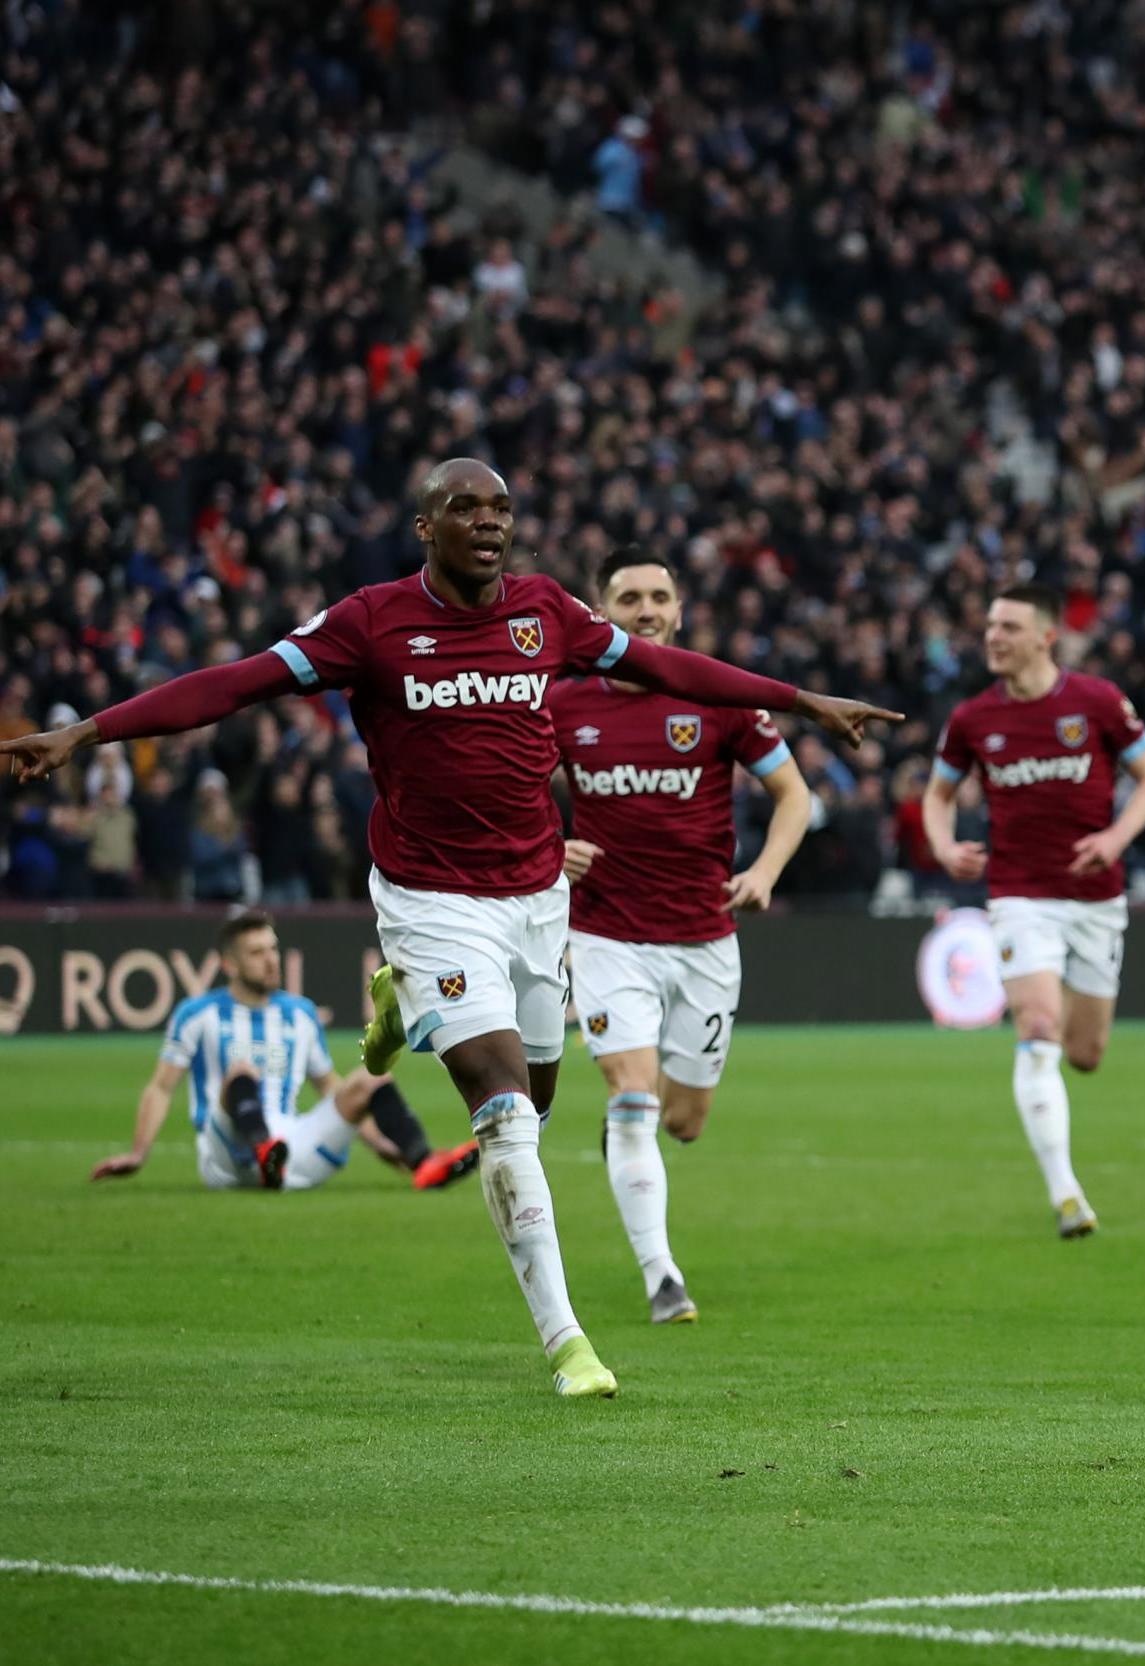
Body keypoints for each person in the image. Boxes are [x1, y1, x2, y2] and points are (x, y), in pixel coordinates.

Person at [1, 458, 901, 1398]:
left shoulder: (546, 613)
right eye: (463, 507)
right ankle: (568, 1344)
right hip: (430, 900)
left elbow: (671, 666)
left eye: (500, 508)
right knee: (507, 1117)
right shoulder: (371, 622)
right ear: (424, 526)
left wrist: (801, 699)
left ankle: (402, 1012)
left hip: (537, 894)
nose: (487, 521)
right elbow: (235, 684)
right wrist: (87, 732)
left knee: (543, 1098)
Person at [552, 546, 812, 1325]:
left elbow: (793, 795)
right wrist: (546, 845)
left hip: (704, 940)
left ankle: (629, 1128)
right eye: (628, 598)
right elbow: (510, 792)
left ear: (678, 607)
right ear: (601, 615)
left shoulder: (719, 697)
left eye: (658, 596)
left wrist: (765, 871)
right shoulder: (563, 706)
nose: (646, 610)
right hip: (605, 937)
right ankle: (662, 1277)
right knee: (634, 1099)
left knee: (684, 1123)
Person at [924, 583, 1145, 1237]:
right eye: (989, 628)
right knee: (1036, 1025)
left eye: (1008, 627)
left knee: (1085, 1052)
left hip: (1095, 898)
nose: (993, 638)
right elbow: (938, 794)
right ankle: (1066, 1197)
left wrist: (1116, 838)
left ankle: (1064, 1169)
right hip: (1018, 895)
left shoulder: (1094, 701)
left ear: (1045, 637)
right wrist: (945, 846)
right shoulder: (972, 718)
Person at [94, 909, 477, 1193]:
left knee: (367, 1081)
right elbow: (162, 1087)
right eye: (256, 952)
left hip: (291, 1148)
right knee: (242, 1072)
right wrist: (138, 1152)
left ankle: (423, 1162)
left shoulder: (300, 1014)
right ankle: (262, 1150)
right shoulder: (198, 1014)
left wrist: (378, 1143)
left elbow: (330, 1088)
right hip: (225, 1155)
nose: (270, 959)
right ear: (229, 963)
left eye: (272, 949)